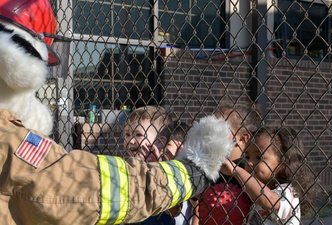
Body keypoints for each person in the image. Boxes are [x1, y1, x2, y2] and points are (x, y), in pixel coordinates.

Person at [0, 1, 236, 224]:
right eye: (127, 134)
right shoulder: (9, 143)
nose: (131, 141)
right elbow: (89, 186)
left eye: (140, 135)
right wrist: (191, 170)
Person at [221, 125, 318, 224]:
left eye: (259, 157)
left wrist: (236, 170)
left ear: (283, 163)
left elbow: (268, 199)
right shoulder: (252, 194)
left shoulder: (288, 192)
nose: (250, 163)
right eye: (247, 157)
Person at [192, 101, 262, 225]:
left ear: (242, 139)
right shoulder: (209, 167)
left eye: (219, 129)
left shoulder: (248, 171)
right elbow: (197, 206)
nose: (211, 134)